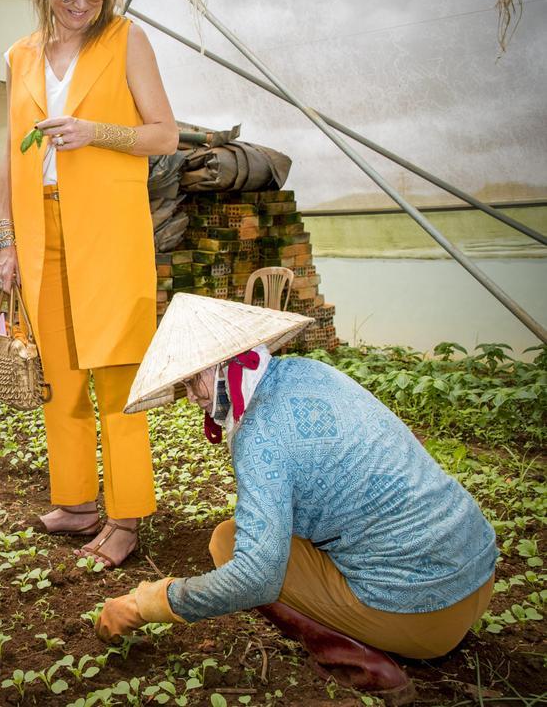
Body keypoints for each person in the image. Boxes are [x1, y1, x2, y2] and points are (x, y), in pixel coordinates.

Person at [94, 293, 497, 696]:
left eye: (193, 380)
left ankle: (360, 664)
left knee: (229, 544)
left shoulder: (260, 431)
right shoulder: (307, 370)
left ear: (225, 365)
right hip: (478, 577)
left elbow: (255, 578)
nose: (193, 397)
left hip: (424, 616)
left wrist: (145, 604)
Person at [0, 0, 178, 567]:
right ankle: (76, 503)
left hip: (108, 229)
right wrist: (7, 240)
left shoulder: (128, 40)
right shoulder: (20, 56)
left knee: (117, 369)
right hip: (39, 227)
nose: (79, 4)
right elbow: (9, 156)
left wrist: (94, 131)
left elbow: (164, 136)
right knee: (61, 373)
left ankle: (126, 516)